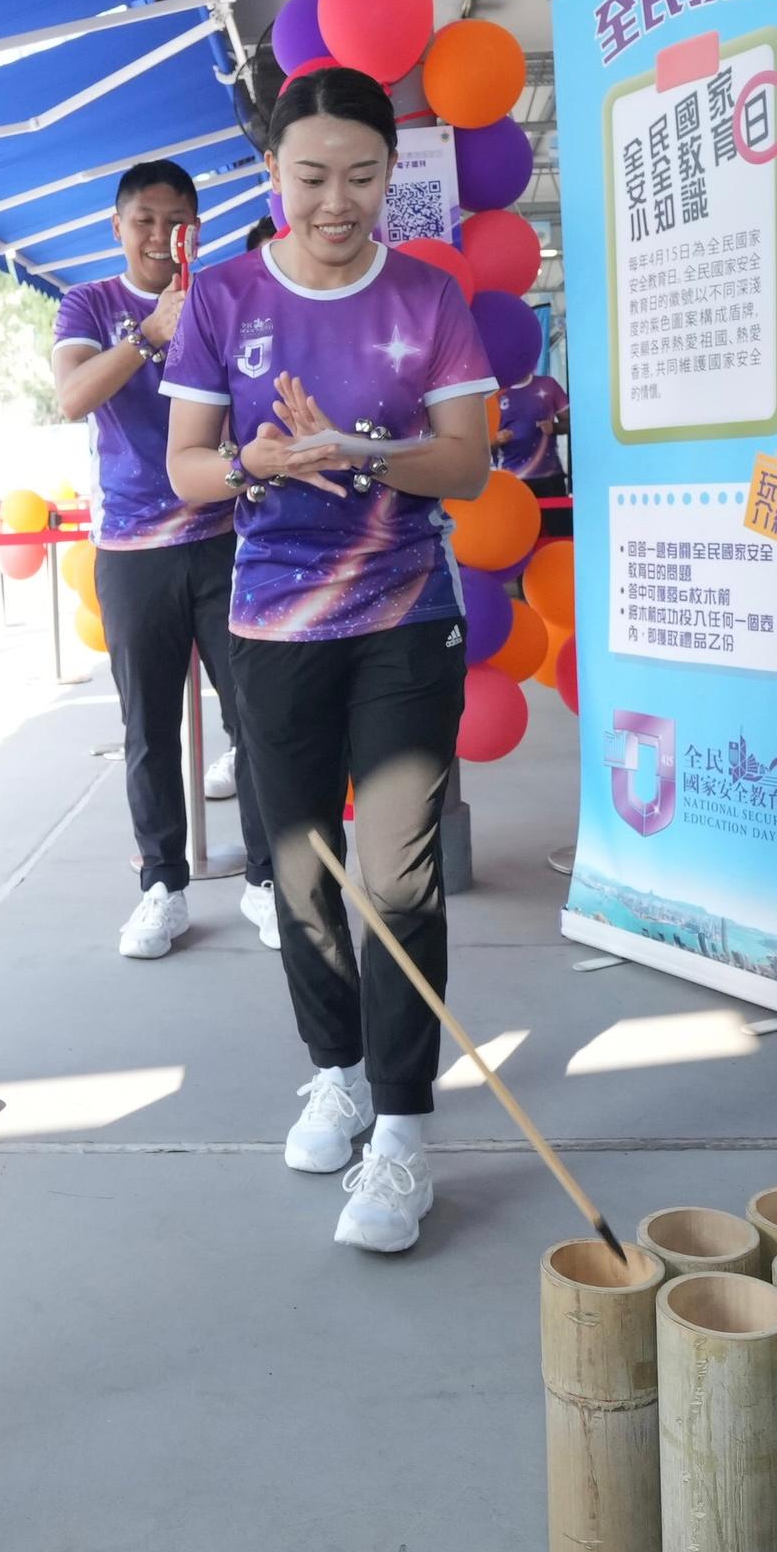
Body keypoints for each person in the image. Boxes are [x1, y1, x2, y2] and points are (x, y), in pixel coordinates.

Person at [163, 66, 496, 1257]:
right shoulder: (222, 297)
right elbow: (186, 468)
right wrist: (261, 461)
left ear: (389, 178)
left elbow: (464, 467)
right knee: (303, 867)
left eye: (362, 176)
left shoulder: (427, 299)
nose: (335, 200)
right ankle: (337, 1072)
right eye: (310, 177)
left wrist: (360, 447)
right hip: (272, 623)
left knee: (397, 875)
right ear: (272, 174)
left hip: (408, 617)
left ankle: (402, 1134)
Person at [51, 159, 276, 959]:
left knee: (254, 717)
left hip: (224, 536)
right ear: (117, 227)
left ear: (197, 230)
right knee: (147, 729)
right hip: (131, 551)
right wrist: (148, 337)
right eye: (144, 219)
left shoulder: (223, 299)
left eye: (176, 221)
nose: (159, 235)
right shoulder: (89, 303)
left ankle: (266, 879)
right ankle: (162, 887)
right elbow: (71, 395)